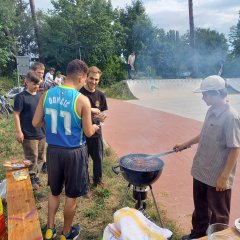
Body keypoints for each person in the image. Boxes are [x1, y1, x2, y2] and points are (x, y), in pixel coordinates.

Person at [33, 59, 99, 240]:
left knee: (54, 192)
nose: (86, 83)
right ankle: (66, 233)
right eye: (86, 79)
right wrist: (96, 127)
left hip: (53, 151)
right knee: (71, 195)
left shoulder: (46, 94)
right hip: (74, 152)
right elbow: (88, 132)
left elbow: (35, 122)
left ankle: (49, 229)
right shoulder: (82, 100)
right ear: (81, 77)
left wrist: (52, 129)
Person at [173, 75, 240, 240]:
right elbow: (203, 133)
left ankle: (217, 238)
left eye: (205, 94)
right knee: (201, 208)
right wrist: (184, 144)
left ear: (217, 93)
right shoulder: (211, 110)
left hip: (217, 177)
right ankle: (197, 235)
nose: (203, 97)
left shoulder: (231, 117)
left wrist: (224, 177)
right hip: (202, 171)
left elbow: (235, 148)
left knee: (219, 215)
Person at [13, 71, 46, 190]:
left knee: (41, 156)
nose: (36, 86)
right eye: (34, 84)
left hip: (41, 133)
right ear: (26, 82)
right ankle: (31, 178)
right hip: (28, 133)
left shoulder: (40, 96)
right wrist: (18, 131)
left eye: (38, 84)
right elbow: (16, 114)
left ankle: (36, 175)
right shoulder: (21, 97)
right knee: (32, 157)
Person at [79, 66, 108, 187]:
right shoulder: (79, 93)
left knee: (98, 159)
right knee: (83, 161)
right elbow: (75, 110)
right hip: (82, 134)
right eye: (91, 78)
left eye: (96, 79)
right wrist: (90, 110)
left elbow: (104, 112)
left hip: (96, 133)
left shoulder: (100, 95)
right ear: (86, 77)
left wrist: (102, 116)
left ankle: (98, 180)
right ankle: (85, 183)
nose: (94, 82)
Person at [30, 62, 48, 173]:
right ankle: (33, 168)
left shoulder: (45, 84)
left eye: (42, 73)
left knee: (43, 141)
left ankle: (44, 162)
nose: (41, 75)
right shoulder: (30, 82)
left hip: (43, 117)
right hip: (32, 117)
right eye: (39, 72)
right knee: (32, 148)